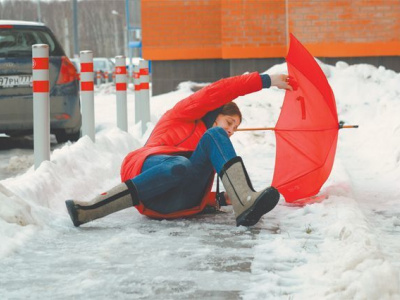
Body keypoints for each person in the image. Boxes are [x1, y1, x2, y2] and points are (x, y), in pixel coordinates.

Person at [66, 72, 293, 227]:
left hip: (179, 204)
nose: (232, 130)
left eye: (235, 127)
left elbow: (196, 186)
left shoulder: (210, 144)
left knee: (190, 159)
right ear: (215, 114)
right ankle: (91, 209)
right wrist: (266, 80)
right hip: (151, 186)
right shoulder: (181, 115)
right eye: (229, 122)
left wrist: (222, 199)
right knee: (178, 165)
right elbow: (219, 90)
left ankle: (244, 203)